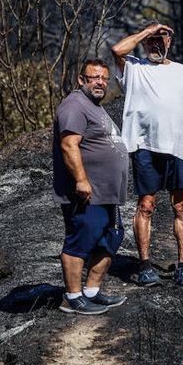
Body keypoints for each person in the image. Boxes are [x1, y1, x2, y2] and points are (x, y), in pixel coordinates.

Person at [110, 23, 183, 290]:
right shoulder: (134, 68)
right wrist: (148, 30)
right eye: (151, 40)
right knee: (146, 204)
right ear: (144, 42)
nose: (155, 44)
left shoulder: (182, 72)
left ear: (169, 42)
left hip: (178, 147)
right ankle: (144, 266)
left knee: (182, 205)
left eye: (160, 39)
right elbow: (116, 49)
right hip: (145, 146)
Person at [53, 59, 130, 315]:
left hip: (107, 193)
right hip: (87, 192)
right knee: (81, 240)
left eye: (104, 79)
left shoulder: (94, 106)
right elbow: (69, 145)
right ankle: (73, 297)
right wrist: (81, 180)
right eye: (94, 77)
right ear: (81, 79)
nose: (100, 82)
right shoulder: (75, 105)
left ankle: (92, 292)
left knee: (111, 238)